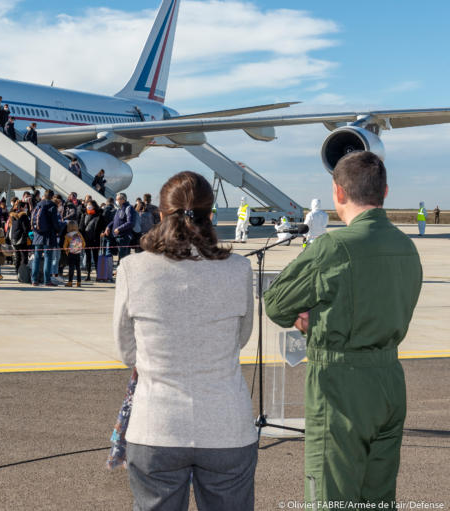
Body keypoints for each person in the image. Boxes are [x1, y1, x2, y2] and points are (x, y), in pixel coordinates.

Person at [264, 151, 422, 506]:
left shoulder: (334, 247)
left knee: (332, 496)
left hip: (340, 385)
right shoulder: (405, 246)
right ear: (384, 193)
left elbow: (276, 302)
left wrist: (308, 319)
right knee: (377, 496)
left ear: (338, 193)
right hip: (389, 381)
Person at [115, 171, 257, 511]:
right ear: (211, 216)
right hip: (225, 424)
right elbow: (242, 337)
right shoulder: (238, 269)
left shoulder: (133, 268)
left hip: (157, 425)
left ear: (161, 215)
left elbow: (126, 350)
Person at [30, 189, 63, 287]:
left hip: (37, 235)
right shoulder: (52, 205)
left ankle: (34, 280)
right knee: (48, 258)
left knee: (37, 258)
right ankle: (47, 281)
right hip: (48, 236)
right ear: (52, 197)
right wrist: (59, 229)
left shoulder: (39, 204)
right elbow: (55, 222)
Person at [105, 192, 137, 261]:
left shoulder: (129, 208)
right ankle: (119, 270)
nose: (116, 201)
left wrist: (119, 229)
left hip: (124, 237)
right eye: (116, 199)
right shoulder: (119, 209)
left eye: (118, 199)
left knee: (122, 258)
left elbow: (130, 222)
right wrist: (108, 227)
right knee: (117, 255)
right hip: (117, 236)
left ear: (123, 199)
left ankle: (122, 271)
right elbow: (114, 221)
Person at [79, 200, 102, 281]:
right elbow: (81, 227)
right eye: (87, 205)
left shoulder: (99, 215)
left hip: (95, 239)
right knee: (88, 257)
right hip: (86, 239)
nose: (88, 206)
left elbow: (101, 227)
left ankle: (98, 275)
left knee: (96, 258)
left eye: (90, 205)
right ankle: (88, 275)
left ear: (94, 206)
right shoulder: (84, 215)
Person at [9, 200, 31, 274]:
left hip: (14, 238)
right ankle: (23, 272)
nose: (26, 208)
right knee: (24, 256)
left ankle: (17, 271)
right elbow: (26, 228)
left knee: (17, 256)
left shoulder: (13, 216)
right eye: (25, 207)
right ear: (21, 207)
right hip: (22, 238)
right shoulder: (23, 216)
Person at [63, 220, 86, 287]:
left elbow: (65, 246)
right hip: (78, 253)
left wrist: (66, 250)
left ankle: (70, 282)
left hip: (71, 253)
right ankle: (79, 282)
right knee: (78, 268)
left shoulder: (67, 235)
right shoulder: (79, 234)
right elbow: (84, 243)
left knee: (71, 268)